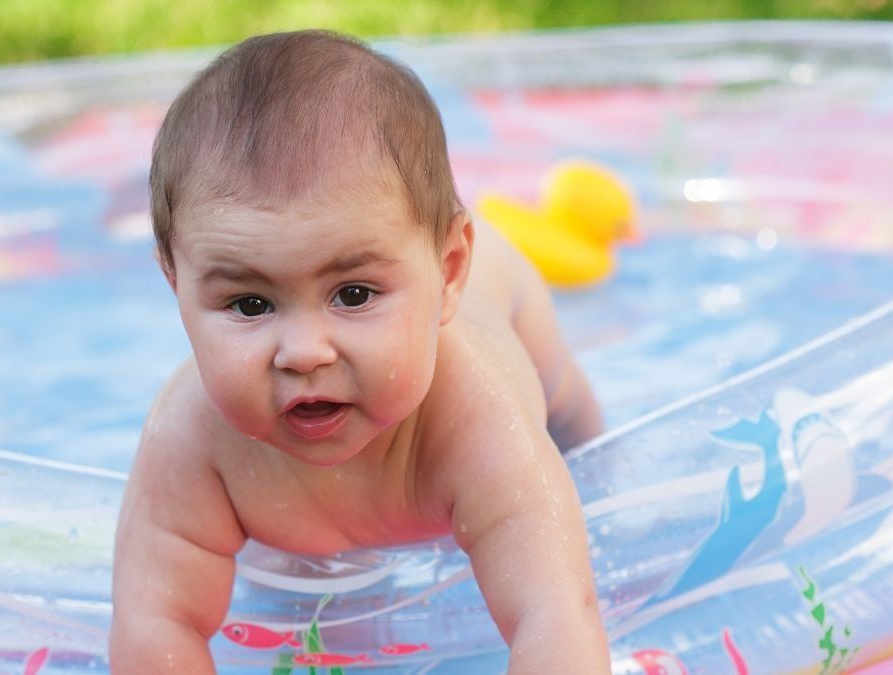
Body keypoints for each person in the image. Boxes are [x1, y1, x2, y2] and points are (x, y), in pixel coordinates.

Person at [110, 29, 608, 673]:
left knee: (570, 414)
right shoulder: (189, 437)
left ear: (448, 271)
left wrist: (601, 483)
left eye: (353, 293)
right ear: (176, 286)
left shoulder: (480, 417)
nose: (304, 352)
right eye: (250, 304)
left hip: (503, 297)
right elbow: (155, 620)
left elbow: (556, 609)